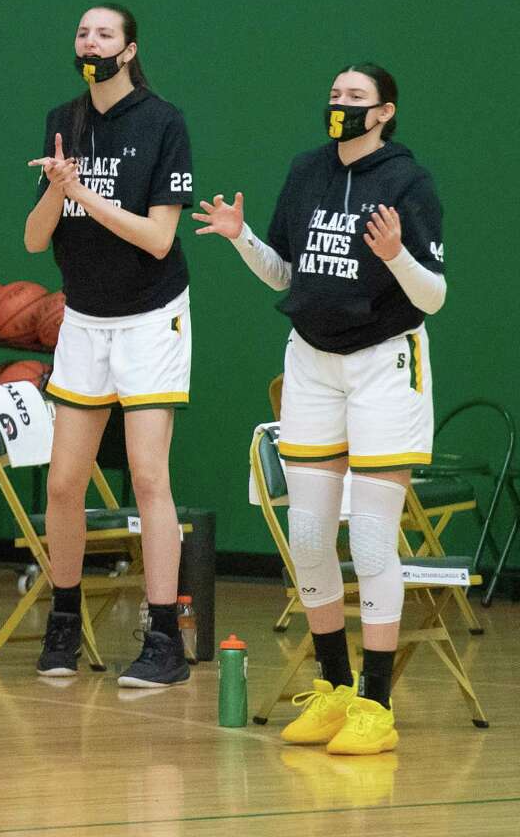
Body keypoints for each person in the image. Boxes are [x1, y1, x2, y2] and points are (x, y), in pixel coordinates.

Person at [194, 63, 445, 755]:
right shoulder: (306, 171)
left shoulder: (407, 182)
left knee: (367, 541)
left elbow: (433, 297)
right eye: (334, 95)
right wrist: (242, 236)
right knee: (306, 536)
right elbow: (286, 272)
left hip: (385, 364)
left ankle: (377, 704)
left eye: (355, 98)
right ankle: (335, 691)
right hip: (310, 358)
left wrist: (395, 256)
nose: (340, 105)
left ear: (385, 112)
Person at [24, 4, 194, 687]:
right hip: (85, 316)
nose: (89, 41)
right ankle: (64, 621)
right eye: (82, 32)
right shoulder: (62, 120)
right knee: (64, 483)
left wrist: (84, 195)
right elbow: (37, 238)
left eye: (103, 33)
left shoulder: (163, 122)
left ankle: (163, 640)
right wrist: (56, 192)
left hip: (152, 315)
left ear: (128, 50)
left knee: (150, 477)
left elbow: (158, 238)